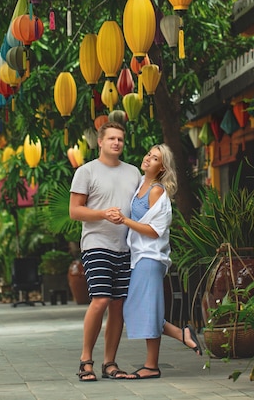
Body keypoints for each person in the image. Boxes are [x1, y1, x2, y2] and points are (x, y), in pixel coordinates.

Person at [116, 144, 202, 380]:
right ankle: (181, 334)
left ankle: (151, 365)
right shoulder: (140, 186)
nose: (148, 159)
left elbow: (155, 230)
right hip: (139, 256)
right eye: (149, 154)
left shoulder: (156, 191)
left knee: (143, 309)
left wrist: (124, 220)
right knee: (139, 308)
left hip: (151, 257)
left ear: (162, 167)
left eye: (155, 158)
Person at [69, 120, 141, 382]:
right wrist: (102, 214)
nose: (116, 143)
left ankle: (109, 363)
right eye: (111, 138)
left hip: (126, 248)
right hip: (96, 244)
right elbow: (75, 211)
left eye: (120, 139)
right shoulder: (86, 172)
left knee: (118, 306)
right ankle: (85, 360)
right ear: (100, 142)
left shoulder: (133, 173)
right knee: (100, 300)